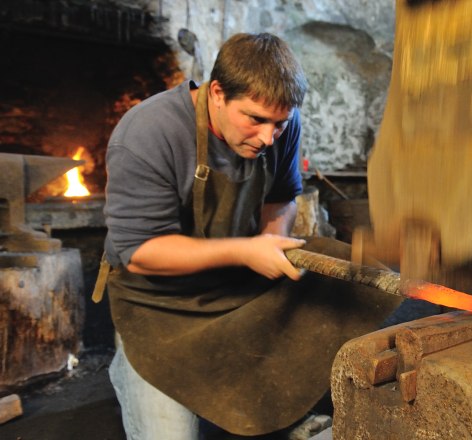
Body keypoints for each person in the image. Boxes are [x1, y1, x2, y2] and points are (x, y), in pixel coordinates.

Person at [96, 32, 400, 439]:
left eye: (280, 124)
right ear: (217, 93)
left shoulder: (277, 124)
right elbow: (139, 252)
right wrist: (247, 250)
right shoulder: (148, 133)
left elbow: (281, 198)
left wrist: (273, 243)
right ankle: (130, 365)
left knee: (353, 285)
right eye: (254, 120)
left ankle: (295, 414)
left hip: (238, 287)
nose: (267, 138)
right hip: (159, 304)